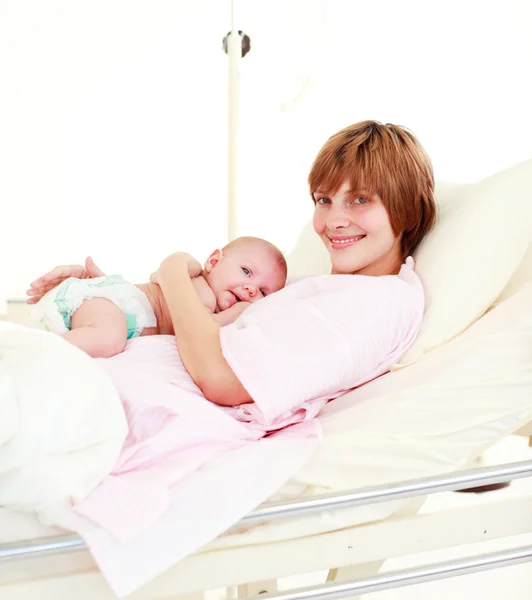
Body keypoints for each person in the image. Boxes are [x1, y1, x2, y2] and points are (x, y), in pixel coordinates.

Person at [26, 120, 437, 405]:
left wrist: (171, 273)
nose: (333, 221)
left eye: (360, 199)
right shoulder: (319, 288)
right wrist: (115, 293)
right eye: (324, 200)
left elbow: (222, 378)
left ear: (406, 211)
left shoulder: (375, 303)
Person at [28, 236, 287, 358]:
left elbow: (209, 331)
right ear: (214, 260)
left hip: (114, 307)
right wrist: (185, 267)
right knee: (109, 337)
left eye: (263, 292)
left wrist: (240, 312)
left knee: (109, 332)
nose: (251, 289)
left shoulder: (215, 316)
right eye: (246, 271)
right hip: (108, 301)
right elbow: (170, 267)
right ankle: (33, 354)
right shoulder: (196, 278)